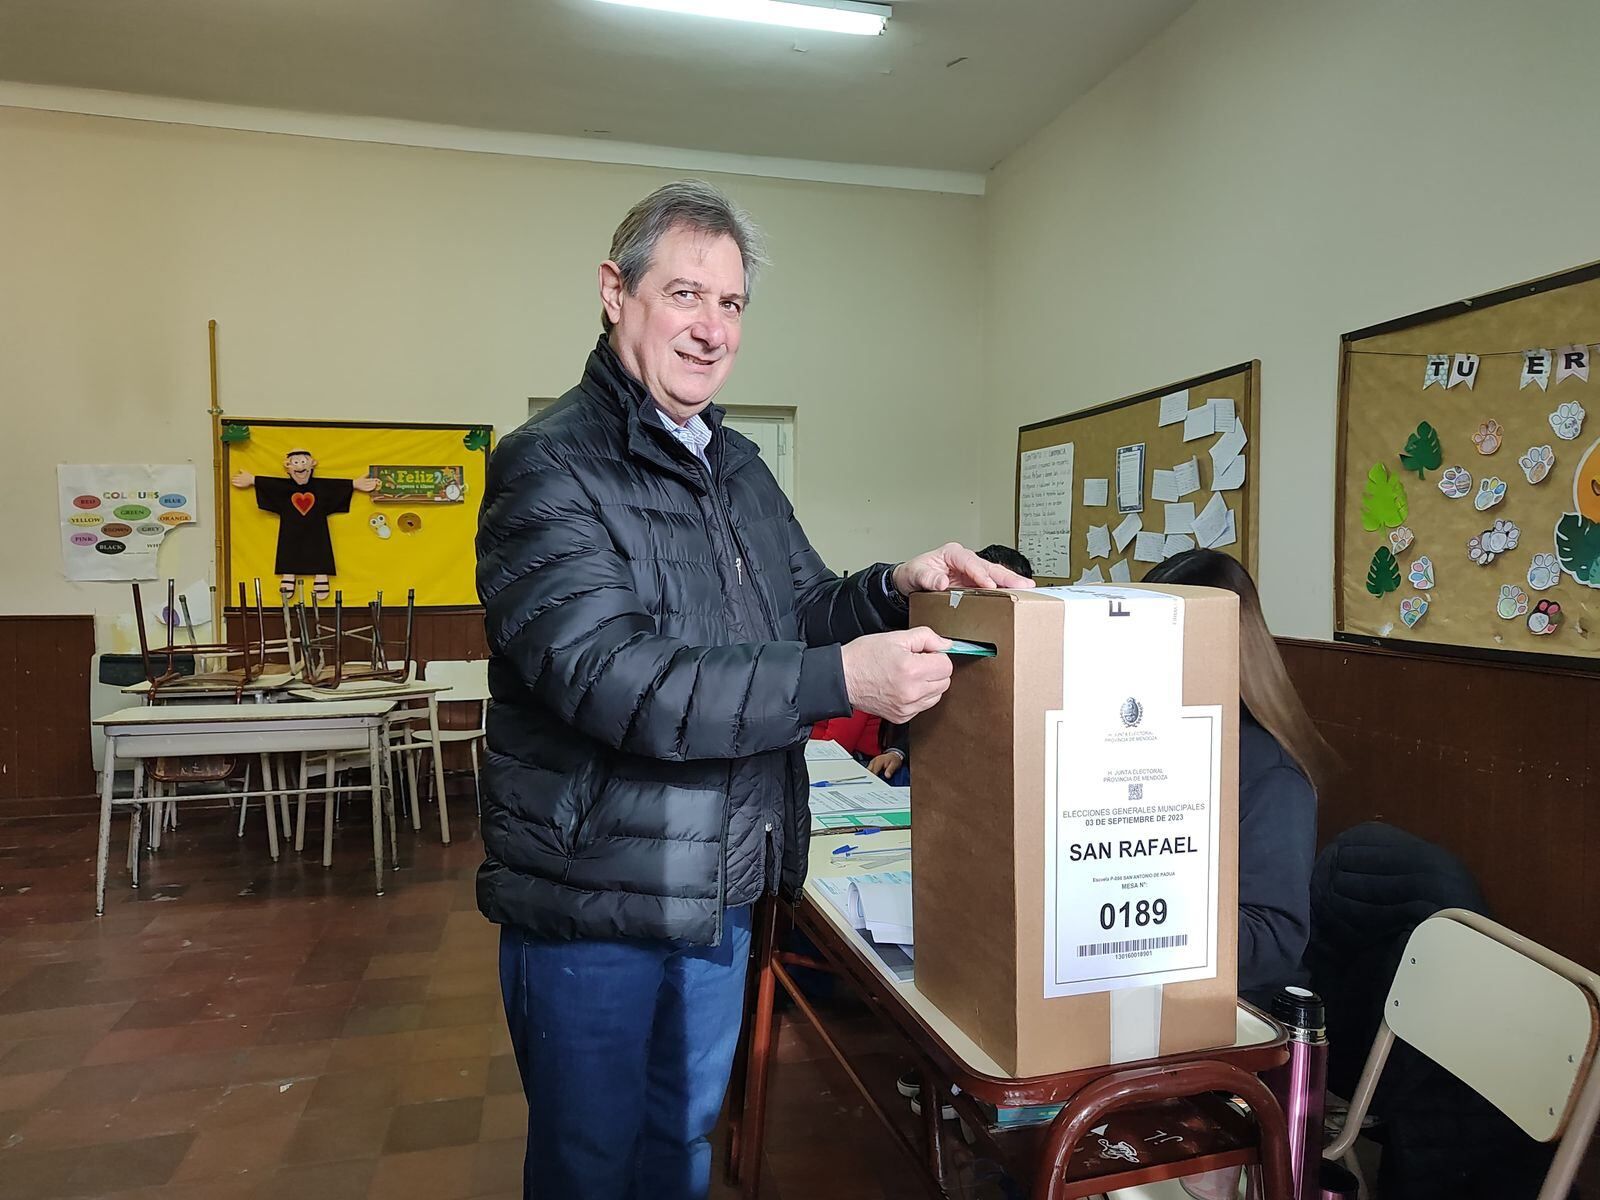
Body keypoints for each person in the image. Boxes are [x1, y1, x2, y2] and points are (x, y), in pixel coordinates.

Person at [474, 180, 1032, 1200]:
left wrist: (896, 585)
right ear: (615, 292)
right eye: (685, 294)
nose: (709, 328)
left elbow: (803, 603)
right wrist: (839, 678)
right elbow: (615, 682)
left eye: (730, 304)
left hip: (720, 891)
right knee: (590, 1170)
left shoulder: (734, 466)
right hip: (592, 907)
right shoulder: (547, 468)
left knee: (683, 1153)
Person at [1142, 548, 1339, 1001]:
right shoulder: (1154, 739)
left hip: (1237, 1007)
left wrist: (1136, 921)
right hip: (1153, 983)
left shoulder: (1271, 775)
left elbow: (1269, 942)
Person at [867, 543, 1034, 785]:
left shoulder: (1036, 655)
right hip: (939, 764)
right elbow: (924, 709)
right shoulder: (946, 637)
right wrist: (897, 751)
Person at [230, 449, 378, 599]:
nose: (300, 467)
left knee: (321, 546)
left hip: (317, 529)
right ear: (288, 467)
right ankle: (288, 576)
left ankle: (321, 576)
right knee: (288, 547)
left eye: (303, 462)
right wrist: (253, 480)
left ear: (312, 465)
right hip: (290, 529)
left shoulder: (321, 487)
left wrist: (354, 484)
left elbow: (334, 485)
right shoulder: (284, 488)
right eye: (295, 463)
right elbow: (271, 485)